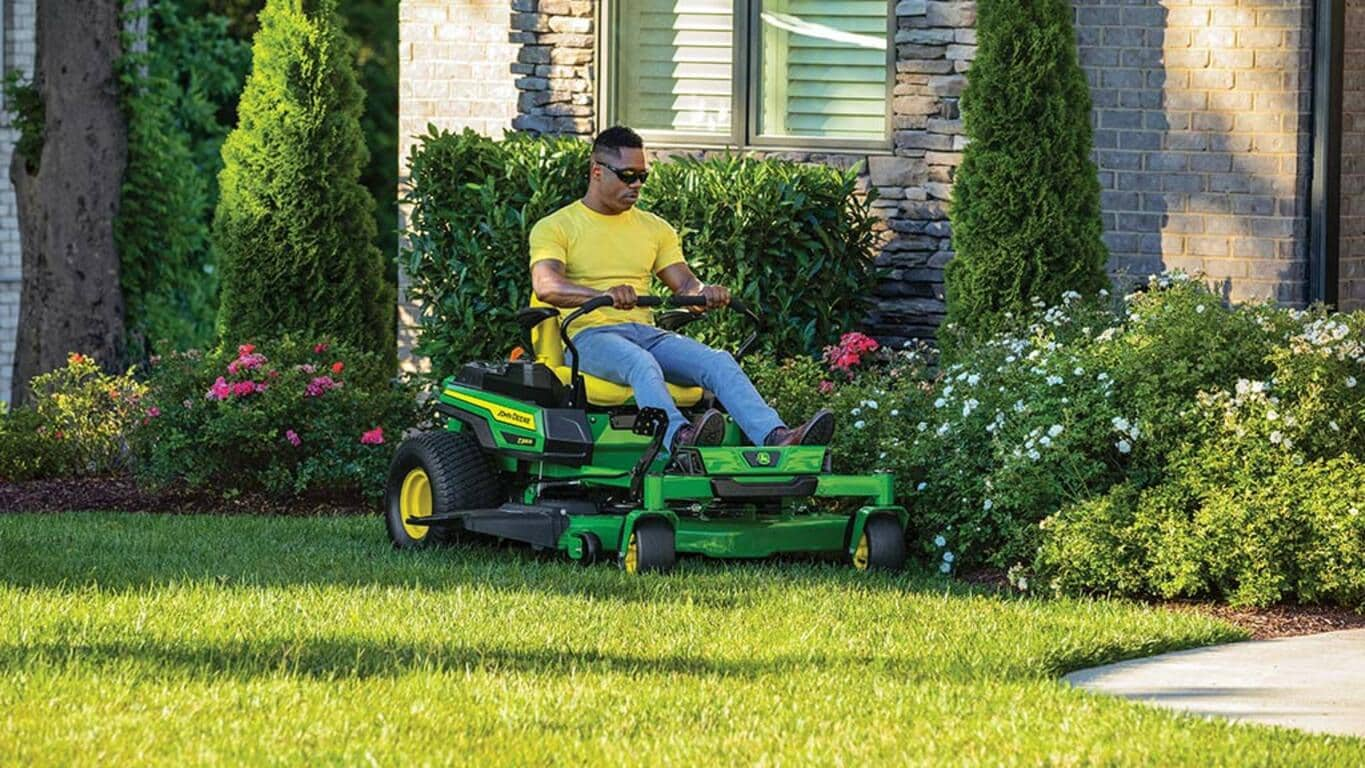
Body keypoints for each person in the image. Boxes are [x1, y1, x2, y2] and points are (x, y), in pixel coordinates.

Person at [528, 125, 834, 456]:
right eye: (628, 175)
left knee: (719, 361)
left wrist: (704, 293)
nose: (636, 185)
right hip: (587, 338)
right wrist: (604, 294)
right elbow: (547, 285)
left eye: (642, 176)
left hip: (645, 332)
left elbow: (686, 284)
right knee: (640, 362)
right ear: (597, 172)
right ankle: (679, 440)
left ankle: (776, 437)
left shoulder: (654, 228)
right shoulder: (557, 226)